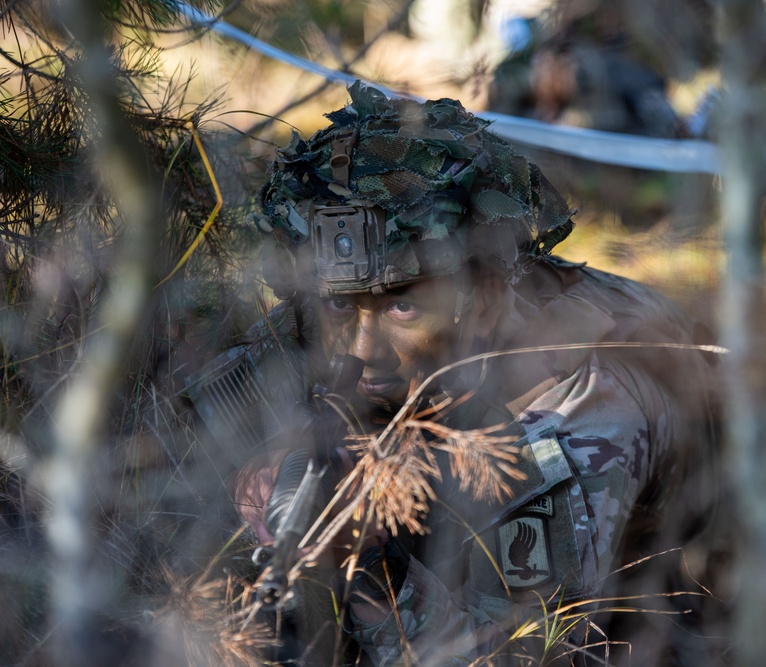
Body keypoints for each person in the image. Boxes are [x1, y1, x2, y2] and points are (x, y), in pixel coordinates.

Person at [196, 81, 720, 666]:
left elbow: (519, 656)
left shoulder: (573, 419)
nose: (363, 348)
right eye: (341, 305)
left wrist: (370, 568)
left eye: (403, 308)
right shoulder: (351, 294)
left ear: (487, 301)